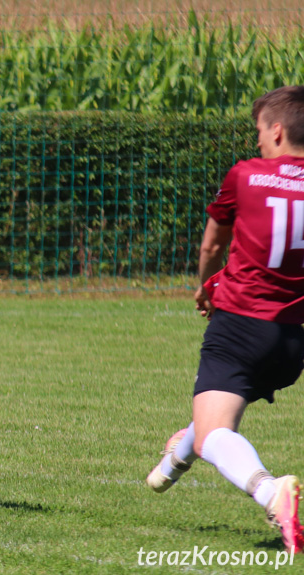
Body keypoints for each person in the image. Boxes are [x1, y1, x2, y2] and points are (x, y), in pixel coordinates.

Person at [146, 85, 304, 554]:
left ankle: (273, 493)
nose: (257, 140)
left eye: (259, 130)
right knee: (210, 416)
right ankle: (171, 463)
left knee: (216, 433)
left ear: (276, 131)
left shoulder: (245, 175)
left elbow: (213, 246)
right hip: (293, 339)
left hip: (239, 326)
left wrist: (205, 284)